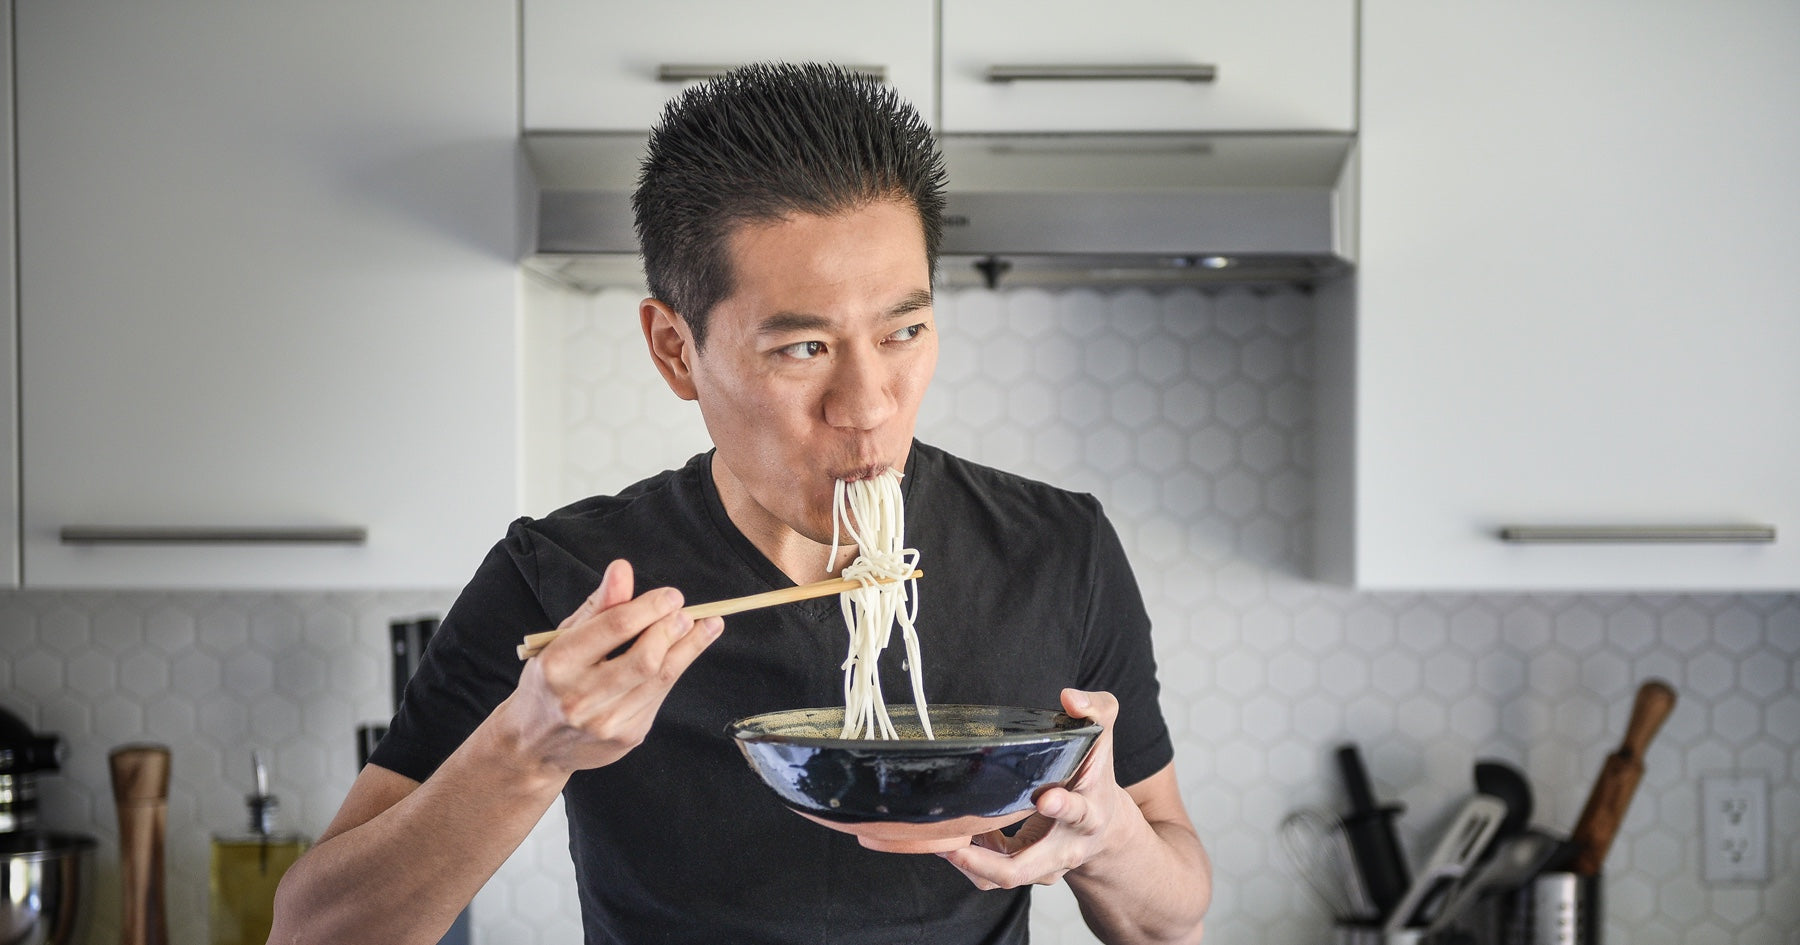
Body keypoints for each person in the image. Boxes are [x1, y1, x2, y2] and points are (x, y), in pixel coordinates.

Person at [270, 62, 1211, 945]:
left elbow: (1172, 916)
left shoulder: (1056, 550)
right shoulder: (563, 582)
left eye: (906, 330)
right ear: (676, 350)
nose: (870, 405)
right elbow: (309, 931)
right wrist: (526, 747)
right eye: (803, 349)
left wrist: (1108, 840)